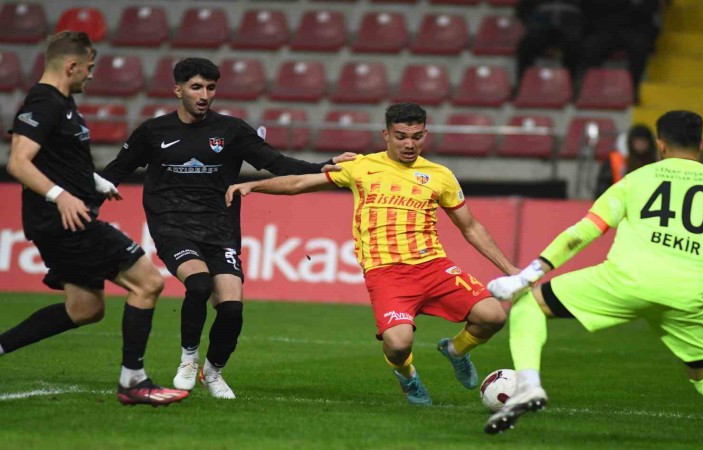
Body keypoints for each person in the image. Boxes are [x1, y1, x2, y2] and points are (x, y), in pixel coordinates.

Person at [484, 111, 703, 450]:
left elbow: (584, 231)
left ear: (660, 144)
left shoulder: (636, 179)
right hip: (688, 295)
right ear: (702, 144)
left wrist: (528, 275)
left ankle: (529, 385)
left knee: (530, 303)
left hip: (625, 281)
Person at [226, 103, 520, 405]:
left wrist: (510, 269)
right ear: (386, 135)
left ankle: (456, 350)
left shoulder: (440, 175)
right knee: (399, 344)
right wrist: (255, 185)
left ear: (425, 134)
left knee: (493, 316)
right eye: (401, 136)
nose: (409, 144)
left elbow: (470, 226)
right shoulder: (361, 166)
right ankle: (407, 375)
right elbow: (300, 182)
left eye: (416, 136)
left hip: (433, 265)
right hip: (386, 273)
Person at [99, 57, 354, 400]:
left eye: (210, 87)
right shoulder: (153, 131)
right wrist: (82, 203)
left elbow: (276, 163)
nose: (204, 95)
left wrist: (323, 166)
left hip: (220, 228)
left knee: (232, 310)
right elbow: (116, 170)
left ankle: (213, 372)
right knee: (199, 283)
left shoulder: (231, 131)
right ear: (178, 90)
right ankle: (188, 358)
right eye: (196, 87)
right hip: (172, 225)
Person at [0, 31, 188, 406]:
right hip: (65, 222)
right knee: (148, 282)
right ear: (71, 66)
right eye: (89, 67)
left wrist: (94, 181)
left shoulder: (62, 104)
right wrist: (61, 196)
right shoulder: (44, 101)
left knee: (84, 309)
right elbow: (18, 162)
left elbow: (58, 159)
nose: (91, 74)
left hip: (64, 220)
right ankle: (133, 381)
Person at [515, 0, 586, 86]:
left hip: (570, 29)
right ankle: (523, 84)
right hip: (541, 28)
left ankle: (573, 83)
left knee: (577, 47)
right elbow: (523, 9)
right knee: (526, 46)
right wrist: (531, 23)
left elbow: (591, 12)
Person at [594, 123, 658, 198]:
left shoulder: (656, 164)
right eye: (638, 141)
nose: (640, 144)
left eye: (643, 141)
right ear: (631, 142)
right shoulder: (615, 161)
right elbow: (602, 188)